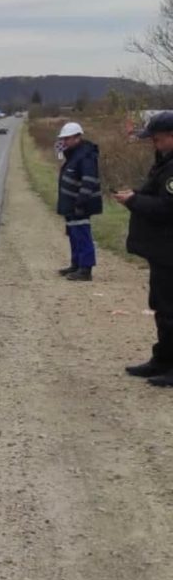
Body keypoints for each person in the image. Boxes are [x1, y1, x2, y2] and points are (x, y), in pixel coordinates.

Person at [113, 110, 173, 386]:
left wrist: (134, 202)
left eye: (158, 140)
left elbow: (167, 208)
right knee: (161, 307)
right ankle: (162, 360)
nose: (155, 145)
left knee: (171, 310)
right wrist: (135, 194)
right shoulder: (165, 163)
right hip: (162, 250)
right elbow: (156, 193)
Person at [55, 120, 102, 281]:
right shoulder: (73, 154)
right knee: (73, 234)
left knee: (82, 235)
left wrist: (81, 202)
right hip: (71, 204)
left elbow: (89, 180)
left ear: (78, 137)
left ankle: (85, 269)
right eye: (64, 138)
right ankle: (76, 264)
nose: (64, 141)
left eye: (67, 138)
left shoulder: (86, 155)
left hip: (80, 204)